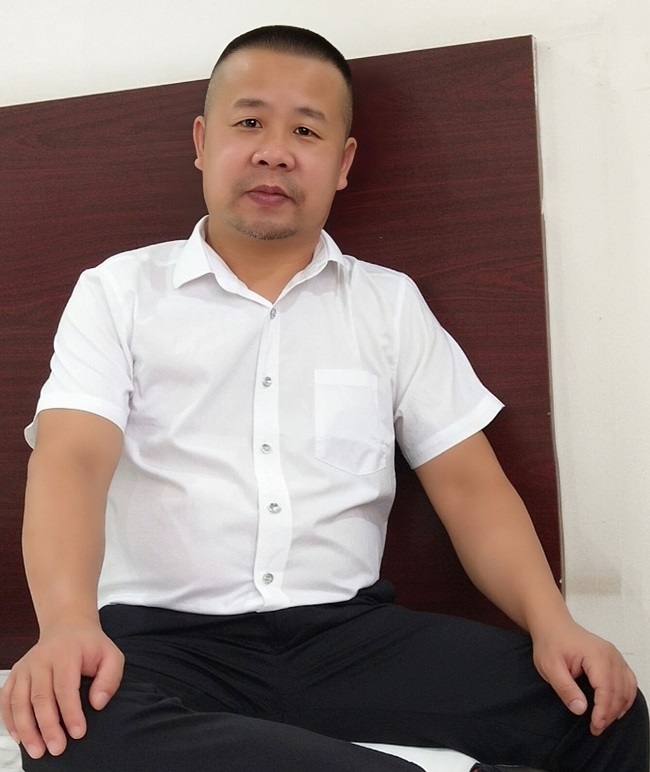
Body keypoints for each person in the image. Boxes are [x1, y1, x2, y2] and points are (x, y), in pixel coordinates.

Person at [0, 24, 647, 772]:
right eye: (250, 122)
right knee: (66, 732)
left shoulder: (387, 305)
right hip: (163, 643)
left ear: (342, 164)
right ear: (203, 142)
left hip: (348, 640)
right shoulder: (118, 292)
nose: (275, 151)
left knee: (599, 711)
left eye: (306, 131)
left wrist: (553, 623)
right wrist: (66, 624)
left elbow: (470, 488)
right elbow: (72, 460)